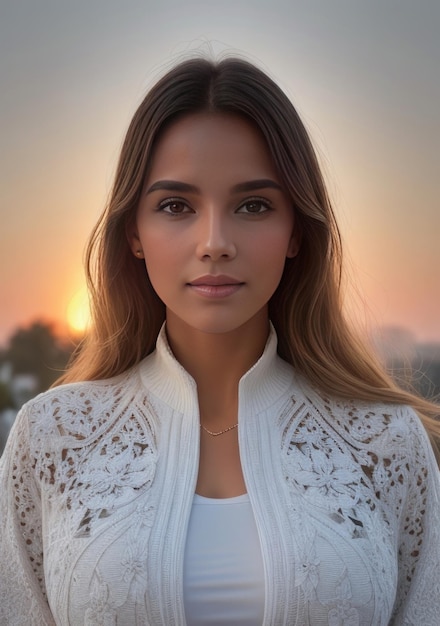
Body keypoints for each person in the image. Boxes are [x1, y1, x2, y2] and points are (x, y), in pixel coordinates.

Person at [1, 56, 439, 626]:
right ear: (134, 233)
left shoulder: (387, 445)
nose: (214, 242)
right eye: (176, 206)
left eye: (253, 205)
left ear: (295, 233)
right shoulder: (52, 440)